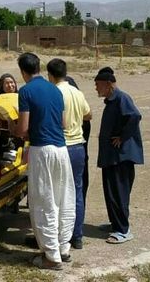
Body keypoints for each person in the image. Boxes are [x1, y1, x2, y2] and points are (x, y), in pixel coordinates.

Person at [12, 52, 75, 270]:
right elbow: (64, 124)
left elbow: (22, 129)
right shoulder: (56, 91)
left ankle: (51, 257)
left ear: (22, 71)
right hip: (61, 149)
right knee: (63, 198)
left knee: (43, 202)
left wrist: (11, 127)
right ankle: (62, 248)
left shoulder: (26, 91)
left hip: (43, 151)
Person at [94, 67, 143, 244]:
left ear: (108, 84)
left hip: (121, 157)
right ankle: (116, 223)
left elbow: (135, 116)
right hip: (111, 156)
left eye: (98, 85)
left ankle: (123, 230)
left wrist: (122, 137)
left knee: (119, 192)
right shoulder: (111, 100)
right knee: (111, 191)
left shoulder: (122, 98)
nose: (96, 89)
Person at [47, 59, 92, 250]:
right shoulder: (77, 92)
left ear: (50, 75)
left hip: (61, 146)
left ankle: (59, 237)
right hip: (78, 148)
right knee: (77, 192)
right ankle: (77, 236)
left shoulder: (54, 93)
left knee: (57, 194)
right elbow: (88, 115)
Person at [65, 76, 92, 205]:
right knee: (79, 188)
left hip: (68, 152)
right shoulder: (83, 116)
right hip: (81, 155)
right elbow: (89, 115)